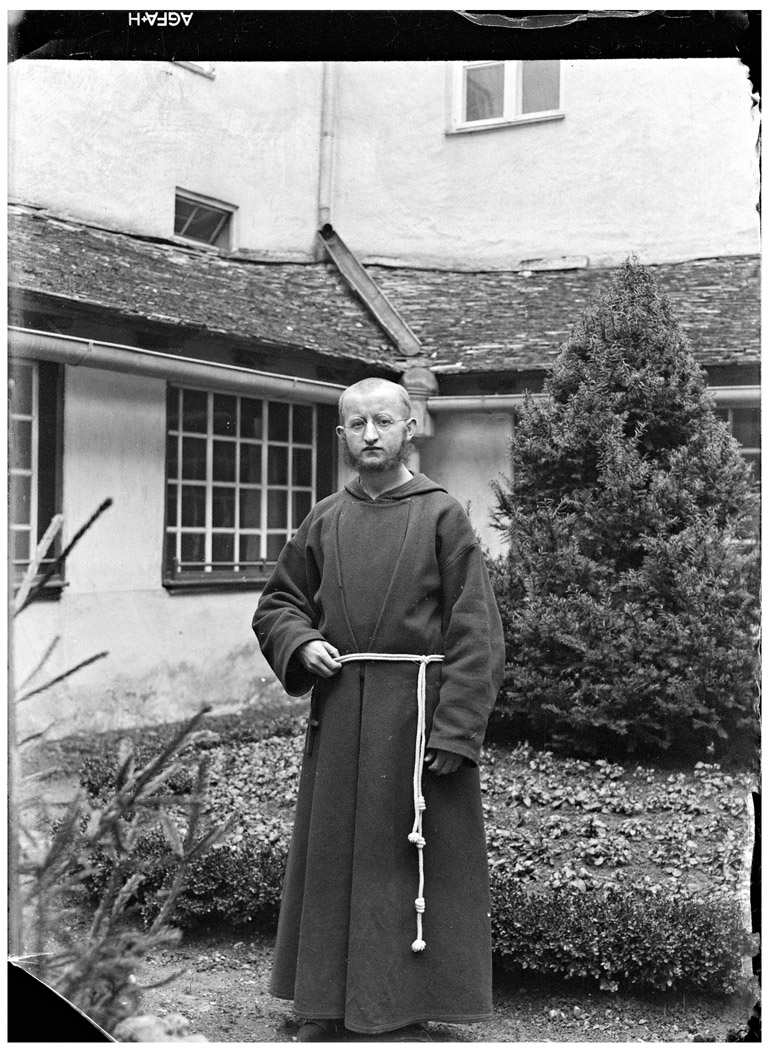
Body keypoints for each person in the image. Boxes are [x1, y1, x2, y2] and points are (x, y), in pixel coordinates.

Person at [252, 377, 505, 1041]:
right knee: (336, 861)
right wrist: (301, 642)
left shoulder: (441, 515)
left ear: (409, 428)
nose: (370, 434)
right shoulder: (324, 518)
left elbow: (475, 630)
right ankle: (326, 1003)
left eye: (383, 421)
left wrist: (456, 730)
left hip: (415, 718)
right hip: (340, 715)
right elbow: (278, 603)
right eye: (357, 423)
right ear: (341, 434)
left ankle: (402, 1004)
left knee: (405, 863)